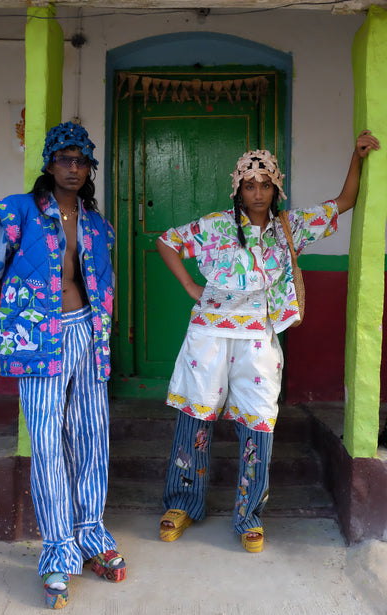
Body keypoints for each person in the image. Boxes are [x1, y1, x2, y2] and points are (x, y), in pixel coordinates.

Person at [156, 130, 379, 553]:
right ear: (237, 188)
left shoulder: (288, 226)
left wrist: (356, 157)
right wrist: (189, 285)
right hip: (209, 334)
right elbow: (167, 241)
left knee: (259, 422)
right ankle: (183, 502)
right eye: (249, 184)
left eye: (265, 184)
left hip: (259, 336)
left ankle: (249, 514)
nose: (257, 192)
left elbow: (343, 203)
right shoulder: (216, 226)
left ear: (276, 188)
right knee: (195, 419)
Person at [0, 121, 125, 609]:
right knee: (46, 440)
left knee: (90, 436)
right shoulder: (18, 213)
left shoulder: (98, 225)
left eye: (82, 161)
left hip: (86, 334)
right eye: (65, 159)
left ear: (90, 168)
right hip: (41, 337)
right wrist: (26, 315)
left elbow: (106, 286)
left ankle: (91, 535)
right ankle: (58, 551)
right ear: (49, 163)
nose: (74, 168)